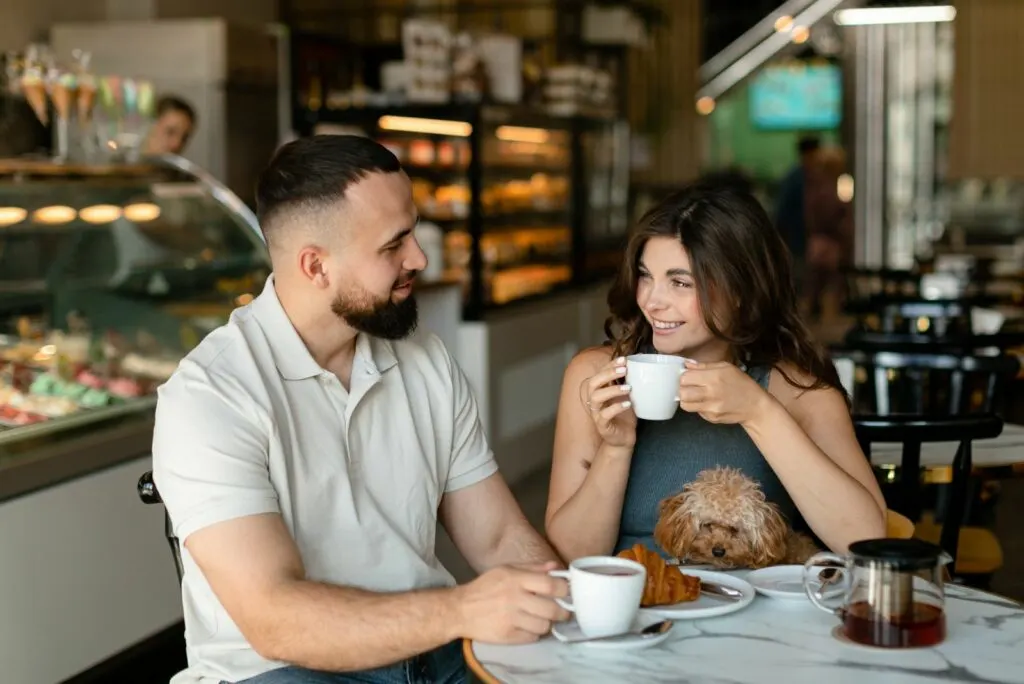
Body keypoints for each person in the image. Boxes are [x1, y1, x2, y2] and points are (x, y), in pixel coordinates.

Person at [152, 134, 569, 684]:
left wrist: (574, 603)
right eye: (393, 244)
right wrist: (463, 609)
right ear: (315, 266)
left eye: (413, 232)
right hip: (281, 670)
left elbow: (495, 538)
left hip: (433, 651)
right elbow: (276, 619)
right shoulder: (211, 396)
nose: (419, 258)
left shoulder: (426, 361)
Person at [544, 181, 886, 563]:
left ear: (740, 289)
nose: (652, 301)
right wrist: (616, 447)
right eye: (645, 276)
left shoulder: (798, 392)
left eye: (679, 282)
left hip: (752, 617)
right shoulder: (597, 377)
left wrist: (759, 412)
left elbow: (868, 541)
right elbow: (572, 556)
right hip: (634, 609)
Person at [804, 146, 854, 319]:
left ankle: (825, 311)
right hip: (826, 238)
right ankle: (824, 312)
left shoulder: (828, 185)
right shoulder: (823, 186)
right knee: (824, 279)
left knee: (827, 279)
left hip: (826, 238)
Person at [774, 136, 820, 286]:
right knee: (800, 283)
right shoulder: (796, 179)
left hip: (805, 243)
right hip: (797, 242)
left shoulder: (808, 177)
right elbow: (782, 213)